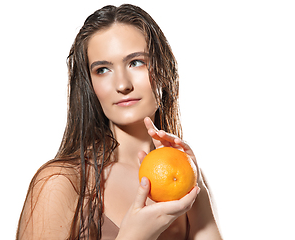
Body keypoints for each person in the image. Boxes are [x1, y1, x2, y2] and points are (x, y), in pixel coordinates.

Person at [16, 4, 223, 240]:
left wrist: (200, 198)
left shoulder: (187, 178)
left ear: (163, 69)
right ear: (90, 86)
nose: (123, 85)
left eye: (136, 62)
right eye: (103, 69)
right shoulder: (60, 183)